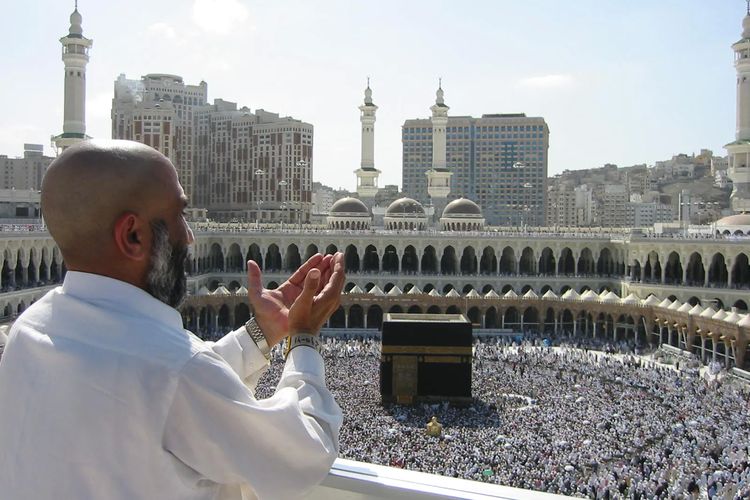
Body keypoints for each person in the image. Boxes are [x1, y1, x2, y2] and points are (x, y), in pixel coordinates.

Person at [0, 140, 345, 500]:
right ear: (133, 236)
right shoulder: (175, 373)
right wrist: (303, 337)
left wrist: (261, 333)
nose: (190, 235)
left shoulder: (29, 332)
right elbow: (301, 455)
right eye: (179, 215)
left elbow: (148, 394)